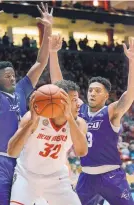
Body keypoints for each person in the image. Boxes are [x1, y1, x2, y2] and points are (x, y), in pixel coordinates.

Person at [0, 1, 53, 204]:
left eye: (13, 75)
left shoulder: (21, 90)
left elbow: (41, 62)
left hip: (25, 162)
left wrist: (48, 28)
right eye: (8, 76)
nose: (13, 78)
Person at [48, 35, 134, 205]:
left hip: (111, 176)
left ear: (106, 96)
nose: (92, 93)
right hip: (86, 177)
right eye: (90, 90)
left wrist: (132, 61)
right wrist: (52, 53)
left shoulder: (111, 112)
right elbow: (60, 87)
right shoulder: (80, 110)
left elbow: (130, 93)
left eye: (97, 91)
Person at [8, 80, 88, 205]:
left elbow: (81, 152)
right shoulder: (33, 117)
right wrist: (31, 123)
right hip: (26, 176)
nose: (79, 104)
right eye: (74, 100)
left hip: (57, 178)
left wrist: (70, 119)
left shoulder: (79, 123)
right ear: (61, 102)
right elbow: (12, 152)